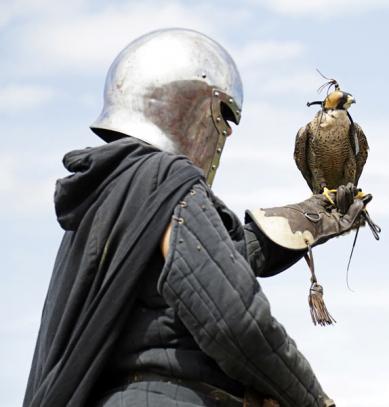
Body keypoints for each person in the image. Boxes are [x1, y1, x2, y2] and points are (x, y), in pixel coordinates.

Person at [24, 28, 369, 407]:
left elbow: (218, 261)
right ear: (186, 106)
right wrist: (311, 399)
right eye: (224, 114)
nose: (228, 133)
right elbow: (234, 317)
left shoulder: (109, 203)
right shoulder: (165, 180)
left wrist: (313, 217)